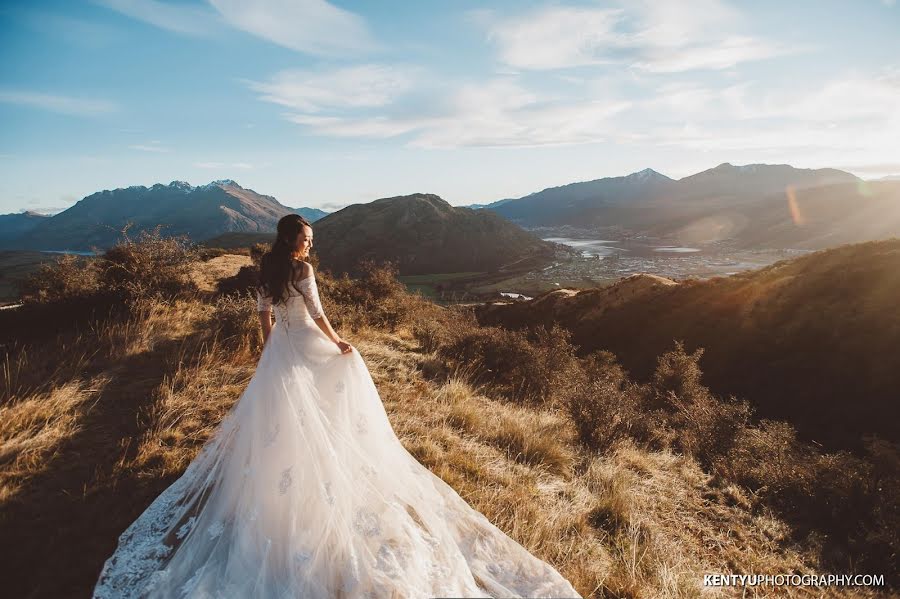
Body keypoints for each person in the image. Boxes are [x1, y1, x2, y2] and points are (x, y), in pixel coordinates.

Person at [93, 214, 580, 598]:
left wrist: (269, 348)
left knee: (280, 417)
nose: (311, 244)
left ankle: (297, 466)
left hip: (282, 347)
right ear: (292, 241)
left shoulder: (267, 270)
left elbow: (263, 315)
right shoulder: (301, 271)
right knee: (347, 371)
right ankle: (335, 448)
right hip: (306, 340)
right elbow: (320, 316)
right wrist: (341, 342)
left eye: (310, 238)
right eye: (306, 238)